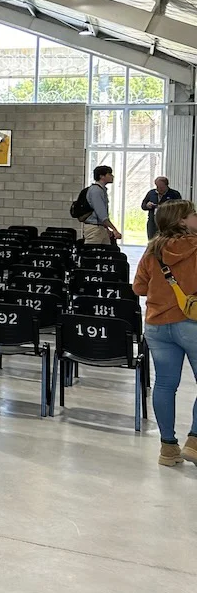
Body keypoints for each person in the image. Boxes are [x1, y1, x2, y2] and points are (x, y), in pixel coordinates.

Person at [131, 200, 197, 466]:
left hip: (157, 326)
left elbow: (138, 288)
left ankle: (168, 448)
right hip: (191, 324)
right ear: (181, 220)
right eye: (193, 214)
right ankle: (194, 440)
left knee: (165, 384)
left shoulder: (152, 249)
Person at [83, 165, 121, 245]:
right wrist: (114, 230)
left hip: (101, 227)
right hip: (94, 229)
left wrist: (106, 228)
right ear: (101, 176)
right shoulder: (96, 191)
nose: (112, 176)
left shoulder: (101, 190)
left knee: (105, 251)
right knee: (92, 251)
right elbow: (101, 215)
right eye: (109, 174)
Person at [142, 176, 182, 240]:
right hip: (153, 222)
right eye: (157, 186)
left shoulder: (174, 194)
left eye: (161, 187)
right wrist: (147, 205)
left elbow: (179, 208)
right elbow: (143, 205)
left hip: (167, 222)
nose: (159, 189)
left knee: (166, 240)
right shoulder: (151, 193)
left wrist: (165, 207)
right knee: (152, 240)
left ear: (166, 185)